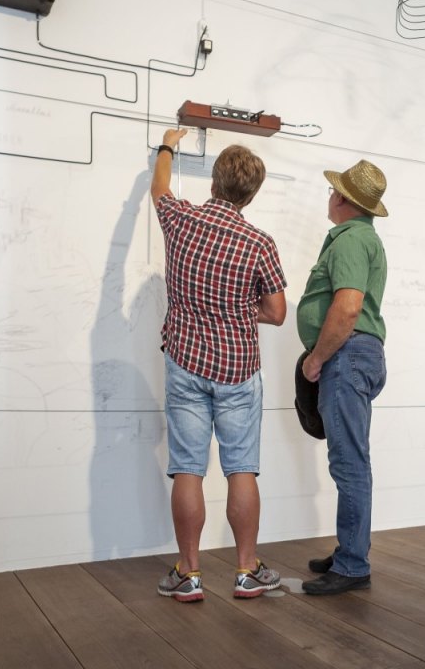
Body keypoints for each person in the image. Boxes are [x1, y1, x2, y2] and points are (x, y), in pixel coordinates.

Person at [150, 128, 287, 601]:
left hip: (186, 362)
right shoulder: (259, 243)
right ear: (250, 195)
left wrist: (167, 145)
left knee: (188, 468)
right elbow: (277, 312)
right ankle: (247, 570)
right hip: (238, 370)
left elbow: (159, 187)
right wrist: (240, 309)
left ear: (213, 181)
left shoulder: (181, 220)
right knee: (241, 467)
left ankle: (188, 574)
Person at [297, 159, 389, 595]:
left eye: (333, 191)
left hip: (345, 356)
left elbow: (348, 307)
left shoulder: (351, 240)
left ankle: (353, 565)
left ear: (343, 199)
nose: (329, 196)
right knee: (352, 459)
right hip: (355, 356)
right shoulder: (362, 238)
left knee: (349, 462)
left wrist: (317, 358)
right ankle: (351, 549)